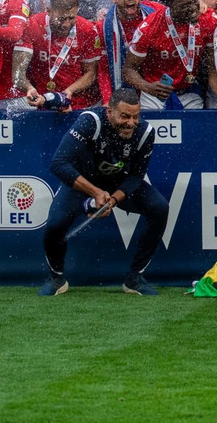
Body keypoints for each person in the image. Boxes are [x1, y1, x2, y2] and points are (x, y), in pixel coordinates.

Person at [40, 88, 167, 297]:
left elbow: (136, 176)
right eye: (125, 116)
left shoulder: (145, 132)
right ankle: (56, 278)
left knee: (160, 208)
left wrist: (114, 199)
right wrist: (96, 192)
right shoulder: (90, 121)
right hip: (82, 182)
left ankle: (135, 279)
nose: (131, 123)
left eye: (136, 116)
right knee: (55, 224)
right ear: (109, 111)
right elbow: (59, 164)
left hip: (117, 184)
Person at [124, 0, 217, 110]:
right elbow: (128, 70)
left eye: (194, 0)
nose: (192, 8)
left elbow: (212, 67)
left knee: (193, 129)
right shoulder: (149, 28)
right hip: (154, 95)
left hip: (189, 91)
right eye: (185, 5)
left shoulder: (208, 19)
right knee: (152, 131)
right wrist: (148, 87)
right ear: (170, 5)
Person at [13, 0, 101, 110]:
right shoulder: (33, 26)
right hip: (44, 103)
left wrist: (68, 92)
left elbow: (91, 73)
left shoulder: (87, 29)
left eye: (71, 18)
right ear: (48, 11)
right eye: (61, 19)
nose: (66, 24)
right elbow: (17, 73)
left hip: (81, 105)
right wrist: (29, 88)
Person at [97, 0, 161, 103]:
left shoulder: (155, 13)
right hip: (123, 89)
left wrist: (200, 5)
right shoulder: (103, 28)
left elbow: (177, 13)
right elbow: (104, 70)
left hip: (152, 87)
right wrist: (108, 100)